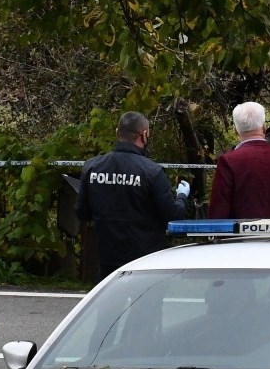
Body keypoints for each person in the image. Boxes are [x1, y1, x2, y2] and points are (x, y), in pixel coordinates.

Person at [76, 111, 189, 279]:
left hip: (107, 257)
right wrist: (182, 197)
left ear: (117, 133)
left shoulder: (92, 167)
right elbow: (173, 215)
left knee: (110, 305)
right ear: (144, 135)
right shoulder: (152, 172)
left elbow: (81, 212)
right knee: (147, 304)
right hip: (145, 259)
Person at [208, 101, 270, 219]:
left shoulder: (228, 161)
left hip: (239, 237)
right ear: (264, 128)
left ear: (236, 130)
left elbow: (218, 212)